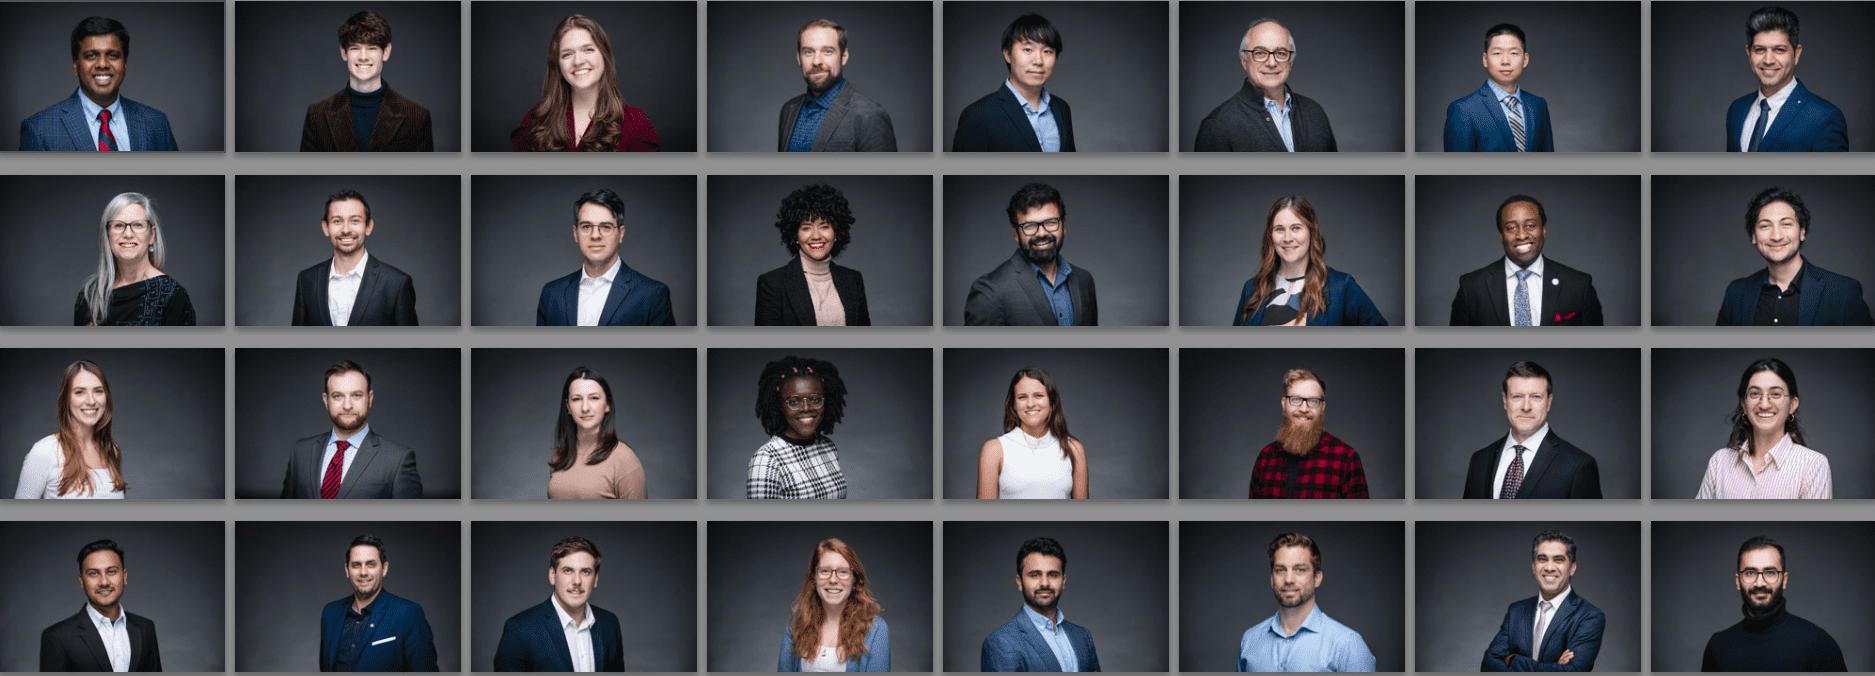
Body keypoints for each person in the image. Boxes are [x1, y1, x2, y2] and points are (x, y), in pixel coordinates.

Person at [1715, 187, 1871, 326]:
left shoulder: (1843, 292)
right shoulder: (1735, 294)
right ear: (1753, 236)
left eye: (1786, 224)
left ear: (1802, 231)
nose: (1776, 236)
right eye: (1765, 226)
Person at [20, 17, 177, 151]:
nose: (102, 64)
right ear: (75, 65)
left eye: (113, 55)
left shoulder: (157, 123)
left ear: (125, 64)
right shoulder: (39, 129)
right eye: (91, 55)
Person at [1449, 195, 1604, 326]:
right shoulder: (1471, 287)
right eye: (1511, 228)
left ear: (1543, 230)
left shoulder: (1579, 285)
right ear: (1501, 235)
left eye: (1530, 225)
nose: (1522, 235)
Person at [511, 15, 658, 152]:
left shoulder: (636, 123)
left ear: (604, 56)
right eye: (567, 54)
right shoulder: (534, 122)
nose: (578, 61)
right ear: (558, 65)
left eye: (588, 49)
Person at [280, 360, 423, 499]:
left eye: (356, 395)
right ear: (326, 401)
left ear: (369, 399)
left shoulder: (397, 459)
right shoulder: (301, 452)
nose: (347, 406)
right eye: (337, 396)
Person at [1700, 536, 1846, 671]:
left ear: (1785, 580)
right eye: (1750, 572)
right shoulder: (1718, 646)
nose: (1759, 583)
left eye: (1770, 572)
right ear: (1738, 581)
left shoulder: (1819, 644)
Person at [1233, 196, 1385, 326]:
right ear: (1270, 236)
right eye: (1279, 229)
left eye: (1296, 228)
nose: (1287, 238)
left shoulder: (1341, 287)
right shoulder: (1252, 289)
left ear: (1311, 233)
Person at [536, 188, 677, 326]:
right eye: (586, 226)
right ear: (575, 233)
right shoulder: (552, 294)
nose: (595, 235)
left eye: (605, 227)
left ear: (621, 233)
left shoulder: (652, 295)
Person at [1461, 361, 1603, 499]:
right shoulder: (1479, 460)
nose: (1526, 407)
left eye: (1536, 397)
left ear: (1549, 402)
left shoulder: (1578, 465)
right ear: (1505, 401)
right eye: (1517, 396)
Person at [1237, 533, 1374, 672]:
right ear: (1272, 579)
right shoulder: (1249, 640)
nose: (1288, 579)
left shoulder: (1348, 645)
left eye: (1300, 570)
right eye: (1280, 570)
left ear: (1317, 577)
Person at [1695, 358, 1831, 499]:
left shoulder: (1814, 465)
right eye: (1755, 394)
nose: (1764, 405)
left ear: (1792, 405)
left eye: (1775, 394)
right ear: (1744, 404)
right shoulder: (1720, 462)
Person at [300, 11, 434, 152]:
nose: (363, 57)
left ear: (386, 52)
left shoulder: (416, 117)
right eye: (355, 48)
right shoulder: (317, 115)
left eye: (372, 48)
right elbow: (308, 174)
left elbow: (423, 174)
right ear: (343, 52)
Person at [964, 183, 1097, 326]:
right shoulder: (990, 291)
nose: (1041, 233)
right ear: (1016, 232)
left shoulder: (1084, 280)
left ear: (1063, 224)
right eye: (1030, 226)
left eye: (1051, 222)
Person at [1195, 19, 1337, 152]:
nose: (1271, 63)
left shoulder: (1315, 112)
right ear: (1244, 61)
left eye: (1281, 53)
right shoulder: (1216, 126)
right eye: (1260, 53)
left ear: (1290, 62)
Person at [493, 537, 626, 671]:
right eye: (568, 570)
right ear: (552, 575)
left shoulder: (609, 623)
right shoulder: (519, 630)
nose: (577, 581)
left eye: (585, 572)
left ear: (595, 579)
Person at [291, 188, 420, 326]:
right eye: (337, 221)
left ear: (368, 226)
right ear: (326, 227)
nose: (346, 230)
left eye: (355, 221)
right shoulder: (307, 280)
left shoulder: (396, 283)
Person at [1726, 7, 1847, 152]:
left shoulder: (1824, 117)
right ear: (1749, 53)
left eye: (1779, 50)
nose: (1768, 60)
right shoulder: (1737, 109)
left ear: (1796, 54)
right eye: (1759, 49)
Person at [1480, 531, 1605, 671]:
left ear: (1572, 567)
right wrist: (1554, 668)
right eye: (1542, 559)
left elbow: (1572, 672)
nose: (1549, 568)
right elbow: (1488, 665)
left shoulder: (1590, 616)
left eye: (1558, 560)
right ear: (1534, 567)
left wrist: (1513, 660)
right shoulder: (1516, 611)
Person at [952, 14, 1075, 152]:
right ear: (1007, 54)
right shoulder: (979, 115)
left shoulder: (1062, 109)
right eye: (1028, 49)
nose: (1039, 61)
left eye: (1047, 51)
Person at [74, 192, 196, 326]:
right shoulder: (89, 296)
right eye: (118, 225)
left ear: (152, 235)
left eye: (138, 225)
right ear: (107, 235)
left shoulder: (173, 297)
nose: (127, 234)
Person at [320, 535, 439, 671]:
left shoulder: (408, 614)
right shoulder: (330, 613)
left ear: (384, 568)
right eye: (356, 565)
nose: (363, 572)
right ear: (347, 570)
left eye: (371, 564)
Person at [756, 184, 871, 325]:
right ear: (795, 235)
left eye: (824, 226)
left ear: (836, 232)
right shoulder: (772, 284)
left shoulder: (853, 280)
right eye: (806, 227)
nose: (816, 236)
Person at [39, 539, 162, 671]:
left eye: (111, 571)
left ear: (124, 576)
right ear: (81, 581)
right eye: (94, 573)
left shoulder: (146, 628)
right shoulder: (57, 637)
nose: (104, 582)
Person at [14, 360, 129, 499]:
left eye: (98, 391)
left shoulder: (112, 449)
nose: (91, 401)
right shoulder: (44, 452)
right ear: (66, 399)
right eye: (80, 392)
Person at [982, 537, 1100, 671]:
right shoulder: (1000, 643)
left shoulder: (1083, 637)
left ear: (1064, 581)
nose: (1044, 583)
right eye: (1035, 575)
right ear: (1019, 581)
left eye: (1053, 575)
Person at [779, 19, 897, 152]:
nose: (816, 61)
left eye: (827, 51)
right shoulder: (789, 110)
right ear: (799, 58)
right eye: (808, 52)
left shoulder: (869, 115)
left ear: (844, 56)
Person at [1249, 368, 1368, 499]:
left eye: (1313, 401)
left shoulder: (1346, 459)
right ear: (1284, 404)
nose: (1304, 409)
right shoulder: (1265, 458)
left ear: (1322, 408)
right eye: (1295, 399)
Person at [977, 367, 1090, 499]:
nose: (1030, 404)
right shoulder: (994, 450)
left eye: (1038, 395)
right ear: (1014, 404)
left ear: (1051, 400)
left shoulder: (1074, 449)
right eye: (1022, 397)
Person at [778, 538, 890, 671]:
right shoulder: (795, 627)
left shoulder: (876, 630)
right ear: (814, 577)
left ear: (854, 580)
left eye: (843, 572)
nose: (833, 580)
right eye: (825, 571)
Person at [746, 356, 849, 499]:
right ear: (780, 406)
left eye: (815, 399)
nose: (806, 408)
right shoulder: (766, 460)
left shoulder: (828, 447)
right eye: (794, 402)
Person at [1443, 24, 1552, 152]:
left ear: (1525, 59)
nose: (1505, 61)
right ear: (1485, 59)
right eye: (1497, 53)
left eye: (1513, 53)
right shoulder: (1462, 110)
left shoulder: (1538, 105)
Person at [547, 367, 646, 499]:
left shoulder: (624, 458)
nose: (585, 408)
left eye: (594, 398)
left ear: (607, 405)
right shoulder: (559, 456)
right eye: (577, 399)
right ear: (568, 407)